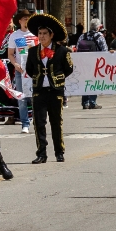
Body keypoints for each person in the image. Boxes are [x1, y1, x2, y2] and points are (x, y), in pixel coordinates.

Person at [25, 14, 74, 163]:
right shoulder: (33, 51)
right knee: (39, 123)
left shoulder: (62, 51)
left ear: (51, 35)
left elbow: (69, 69)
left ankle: (59, 152)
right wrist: (40, 77)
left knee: (56, 122)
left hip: (55, 91)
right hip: (39, 91)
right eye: (40, 34)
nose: (42, 36)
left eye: (45, 33)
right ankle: (41, 153)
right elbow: (29, 69)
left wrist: (57, 79)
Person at [7, 10, 35, 133]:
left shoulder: (36, 33)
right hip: (21, 70)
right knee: (22, 98)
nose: (26, 21)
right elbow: (10, 54)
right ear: (19, 21)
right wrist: (15, 64)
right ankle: (25, 123)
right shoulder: (14, 35)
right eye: (24, 18)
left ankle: (37, 120)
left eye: (28, 18)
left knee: (36, 96)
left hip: (34, 70)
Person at [75, 19, 107, 109]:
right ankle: (92, 102)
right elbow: (105, 50)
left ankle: (85, 102)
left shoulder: (83, 36)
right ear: (98, 27)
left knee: (85, 82)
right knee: (94, 82)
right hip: (95, 63)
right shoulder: (99, 36)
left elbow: (77, 49)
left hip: (83, 62)